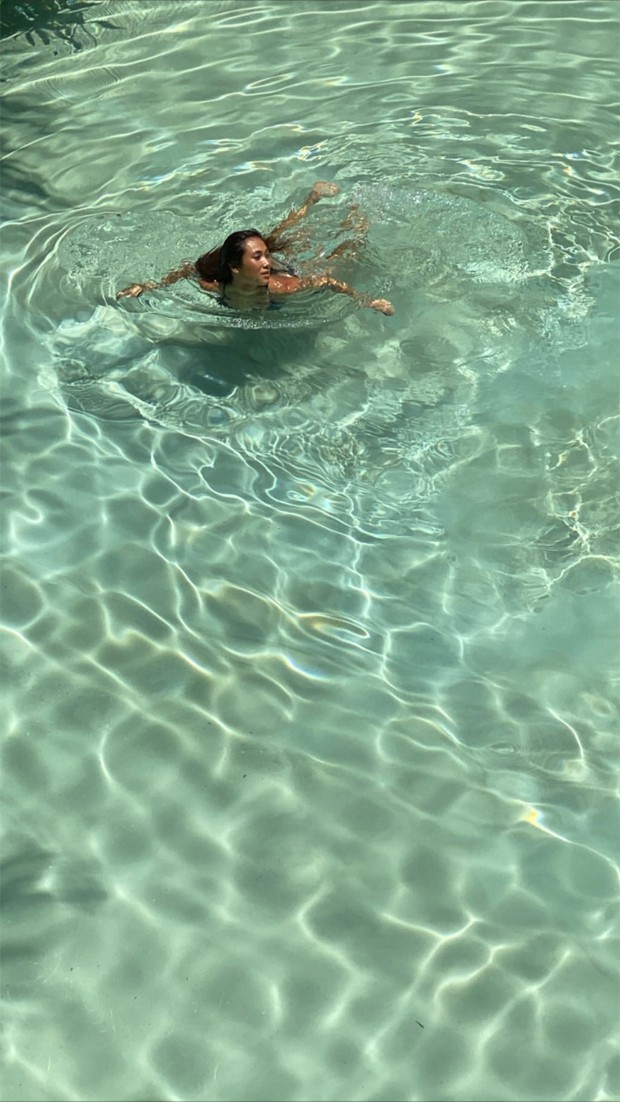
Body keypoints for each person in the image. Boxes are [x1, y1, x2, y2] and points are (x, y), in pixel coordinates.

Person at [116, 182, 394, 315]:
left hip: (290, 271)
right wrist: (148, 286)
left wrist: (366, 300)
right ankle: (312, 200)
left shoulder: (282, 287)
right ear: (234, 267)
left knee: (342, 251)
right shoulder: (214, 286)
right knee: (281, 236)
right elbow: (188, 269)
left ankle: (348, 214)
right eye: (258, 257)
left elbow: (327, 281)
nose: (265, 262)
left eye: (265, 256)